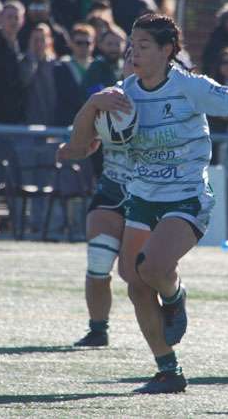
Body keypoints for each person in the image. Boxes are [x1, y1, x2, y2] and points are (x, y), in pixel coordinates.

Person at [64, 13, 228, 393]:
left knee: (154, 267)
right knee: (134, 282)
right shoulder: (122, 93)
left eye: (144, 45)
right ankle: (168, 370)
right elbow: (78, 147)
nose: (134, 52)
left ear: (167, 50)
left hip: (187, 198)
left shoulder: (192, 88)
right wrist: (93, 103)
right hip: (142, 199)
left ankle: (175, 296)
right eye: (132, 44)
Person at [56, 48, 136, 347]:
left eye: (143, 50)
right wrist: (75, 144)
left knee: (135, 272)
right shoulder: (106, 98)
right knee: (99, 259)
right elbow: (75, 145)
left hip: (152, 194)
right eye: (129, 55)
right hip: (112, 188)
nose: (135, 60)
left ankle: (170, 300)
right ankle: (98, 328)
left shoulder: (168, 98)